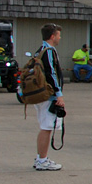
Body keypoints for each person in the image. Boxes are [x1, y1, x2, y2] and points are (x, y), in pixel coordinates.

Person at [33, 23, 66, 171]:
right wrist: (58, 94)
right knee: (47, 127)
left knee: (44, 127)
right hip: (49, 96)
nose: (60, 37)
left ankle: (41, 156)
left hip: (40, 95)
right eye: (58, 35)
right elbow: (51, 74)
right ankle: (42, 160)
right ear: (52, 36)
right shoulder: (49, 51)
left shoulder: (39, 51)